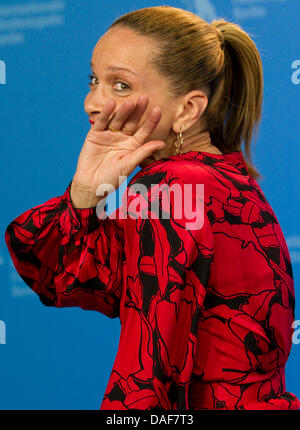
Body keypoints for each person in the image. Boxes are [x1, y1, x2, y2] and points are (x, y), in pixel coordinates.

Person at [5, 6, 300, 410]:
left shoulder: (169, 186)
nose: (93, 103)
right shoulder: (222, 180)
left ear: (186, 110)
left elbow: (150, 373)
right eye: (94, 80)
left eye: (121, 86)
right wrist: (85, 194)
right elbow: (63, 276)